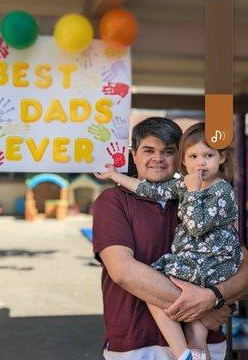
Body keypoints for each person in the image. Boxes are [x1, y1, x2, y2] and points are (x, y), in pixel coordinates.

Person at [92, 117, 248, 360]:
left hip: (206, 343)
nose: (158, 158)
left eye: (168, 151)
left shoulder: (207, 194)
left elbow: (242, 264)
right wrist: (202, 309)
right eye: (149, 150)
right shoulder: (113, 201)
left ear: (180, 157)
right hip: (138, 344)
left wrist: (214, 296)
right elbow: (123, 271)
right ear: (134, 155)